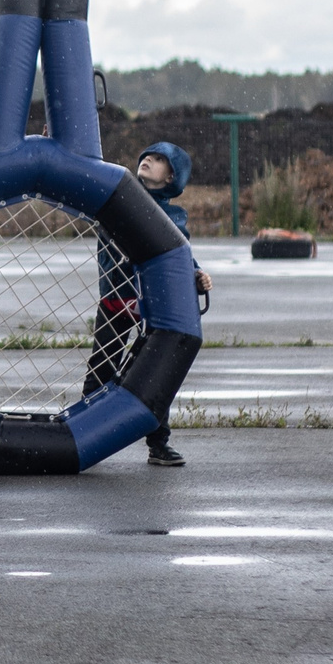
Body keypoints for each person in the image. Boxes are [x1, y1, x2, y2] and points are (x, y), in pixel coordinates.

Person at [86, 141, 213, 467]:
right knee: (100, 368)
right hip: (115, 300)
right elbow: (83, 182)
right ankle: (82, 432)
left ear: (171, 176)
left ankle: (159, 443)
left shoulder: (172, 217)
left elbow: (179, 256)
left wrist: (197, 274)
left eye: (158, 160)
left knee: (157, 377)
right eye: (146, 156)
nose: (147, 161)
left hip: (151, 309)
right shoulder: (116, 199)